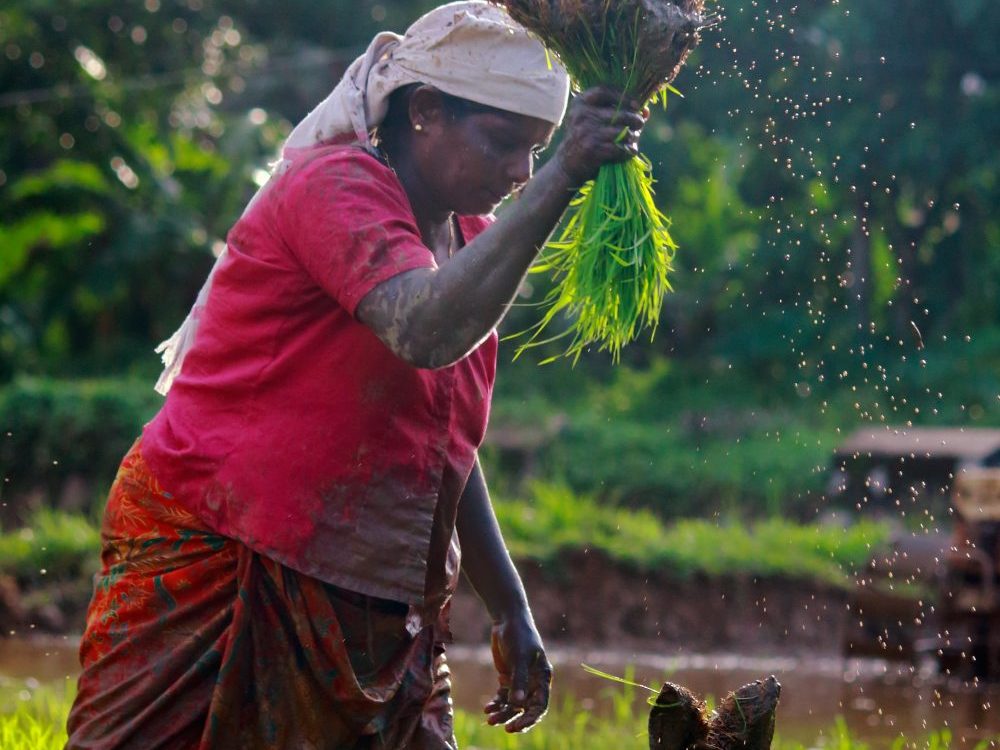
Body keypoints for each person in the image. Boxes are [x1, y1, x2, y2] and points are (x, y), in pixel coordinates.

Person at [65, 2, 648, 747]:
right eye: (505, 143)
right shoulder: (333, 188)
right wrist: (567, 172)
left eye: (537, 150)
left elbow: (441, 447)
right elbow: (423, 328)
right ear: (426, 112)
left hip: (376, 589)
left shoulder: (466, 234)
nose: (520, 172)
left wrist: (509, 604)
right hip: (222, 544)